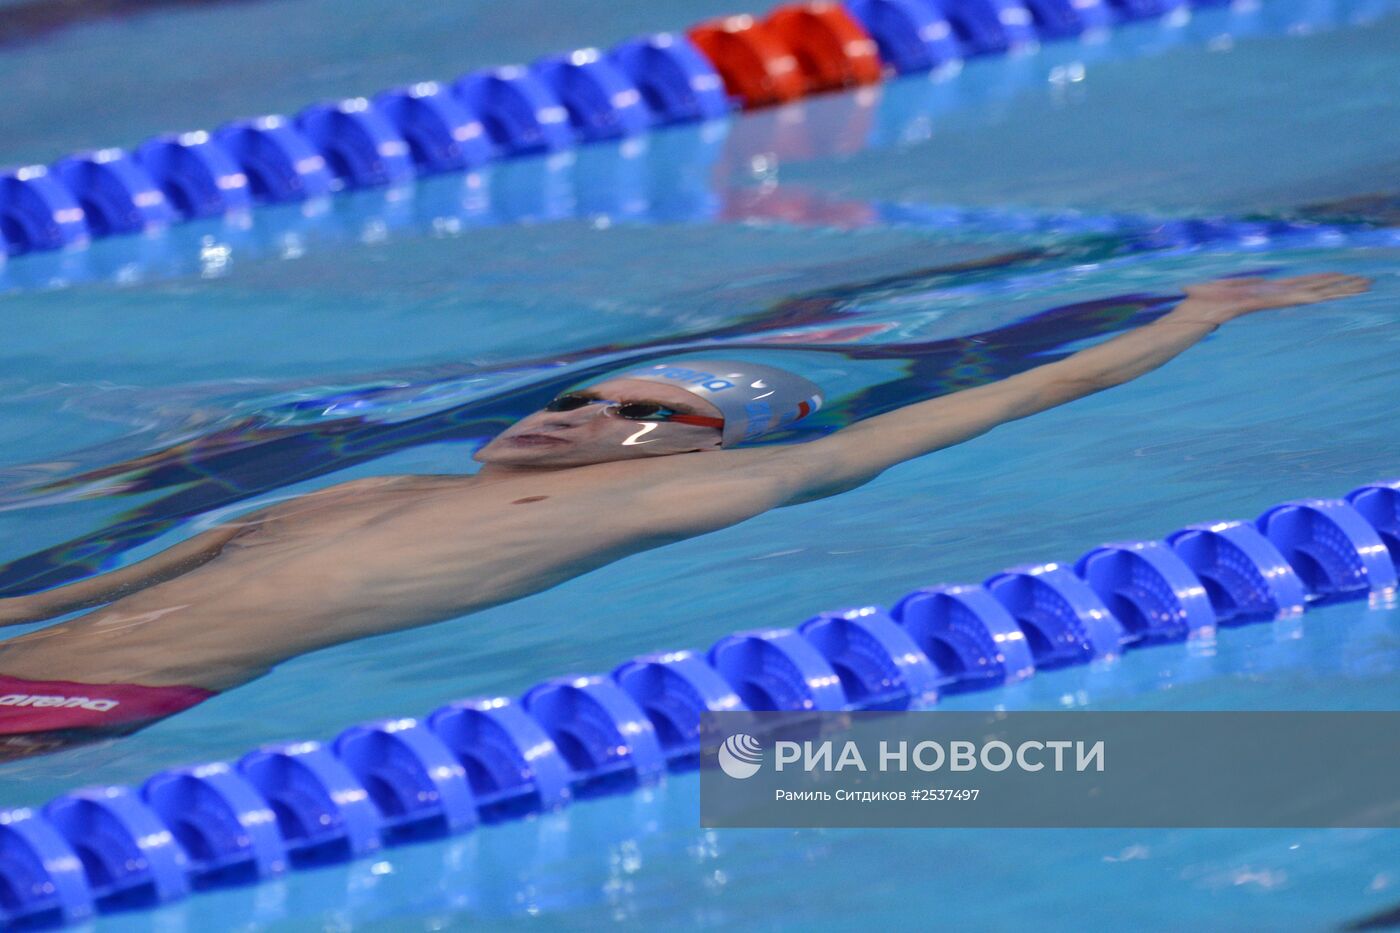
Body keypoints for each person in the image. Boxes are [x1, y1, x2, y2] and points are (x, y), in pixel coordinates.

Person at [0, 273, 1370, 759]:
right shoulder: (367, 486)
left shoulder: (713, 487)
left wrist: (1195, 315)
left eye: (639, 414)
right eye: (592, 398)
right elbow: (58, 597)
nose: (582, 417)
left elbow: (999, 404)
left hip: (99, 702)